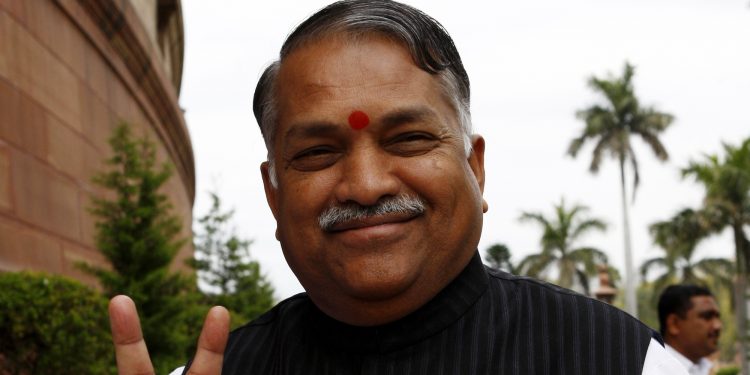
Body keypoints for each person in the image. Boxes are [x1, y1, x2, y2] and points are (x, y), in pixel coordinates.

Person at [109, 1, 688, 374]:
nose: (364, 185)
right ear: (274, 195)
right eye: (316, 153)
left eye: (408, 140)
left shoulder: (623, 361)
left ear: (475, 167)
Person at [658, 285, 722, 375]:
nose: (717, 326)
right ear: (674, 324)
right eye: (707, 316)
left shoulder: (703, 369)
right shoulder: (653, 369)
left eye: (717, 317)